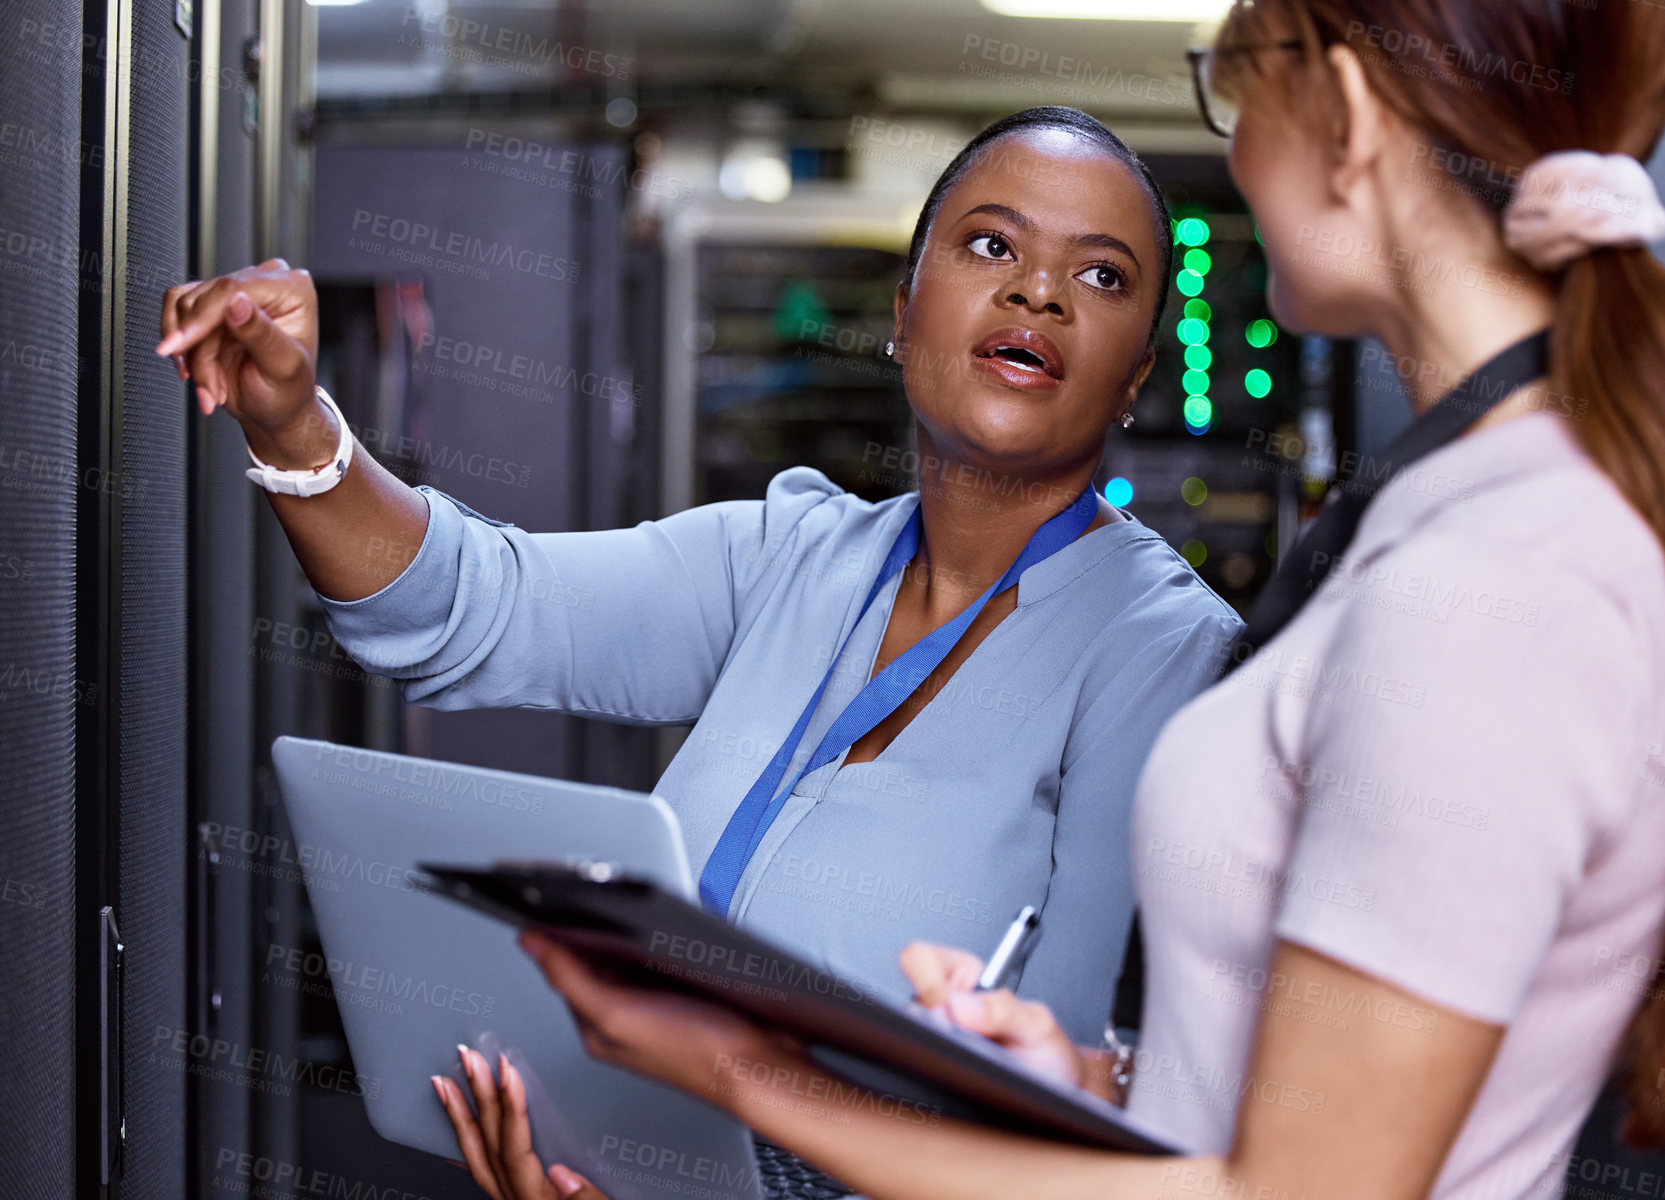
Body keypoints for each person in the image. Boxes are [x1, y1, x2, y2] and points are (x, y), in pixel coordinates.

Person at [434, 2, 1665, 1198]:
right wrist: (1100, 1083)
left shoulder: (1493, 577)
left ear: (1340, 111)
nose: (1233, 149)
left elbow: (1308, 1187)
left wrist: (747, 1075)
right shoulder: (1439, 525)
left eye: (1232, 94)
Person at [156, 108, 1242, 1196]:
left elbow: (1070, 1122)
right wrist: (294, 426)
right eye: (993, 245)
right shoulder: (788, 553)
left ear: (1138, 376)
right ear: (904, 316)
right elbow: (465, 609)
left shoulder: (1168, 658)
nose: (1038, 293)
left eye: (1100, 276)